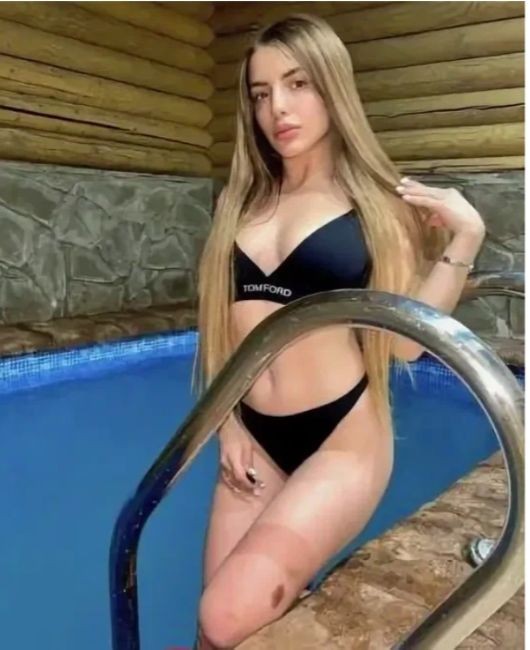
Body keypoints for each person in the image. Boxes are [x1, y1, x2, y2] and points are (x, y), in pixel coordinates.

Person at [191, 13, 486, 650]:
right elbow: (221, 331)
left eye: (298, 84)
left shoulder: (378, 206)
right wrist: (229, 425)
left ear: (332, 87)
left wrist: (465, 239)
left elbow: (405, 341)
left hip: (341, 440)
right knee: (213, 633)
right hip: (253, 436)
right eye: (261, 93)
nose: (278, 108)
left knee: (226, 614)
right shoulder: (238, 202)